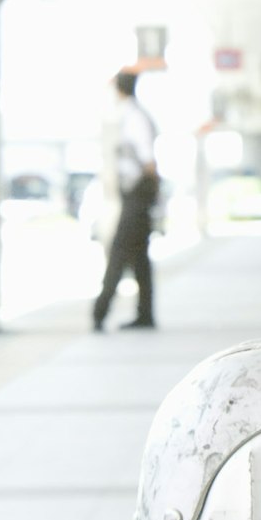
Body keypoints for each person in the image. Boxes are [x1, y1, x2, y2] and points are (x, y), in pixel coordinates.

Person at [91, 67, 159, 330]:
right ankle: (145, 314)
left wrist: (145, 192)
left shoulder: (134, 117)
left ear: (119, 88)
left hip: (136, 195)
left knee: (120, 251)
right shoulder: (130, 114)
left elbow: (148, 160)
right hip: (135, 193)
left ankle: (99, 313)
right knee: (139, 257)